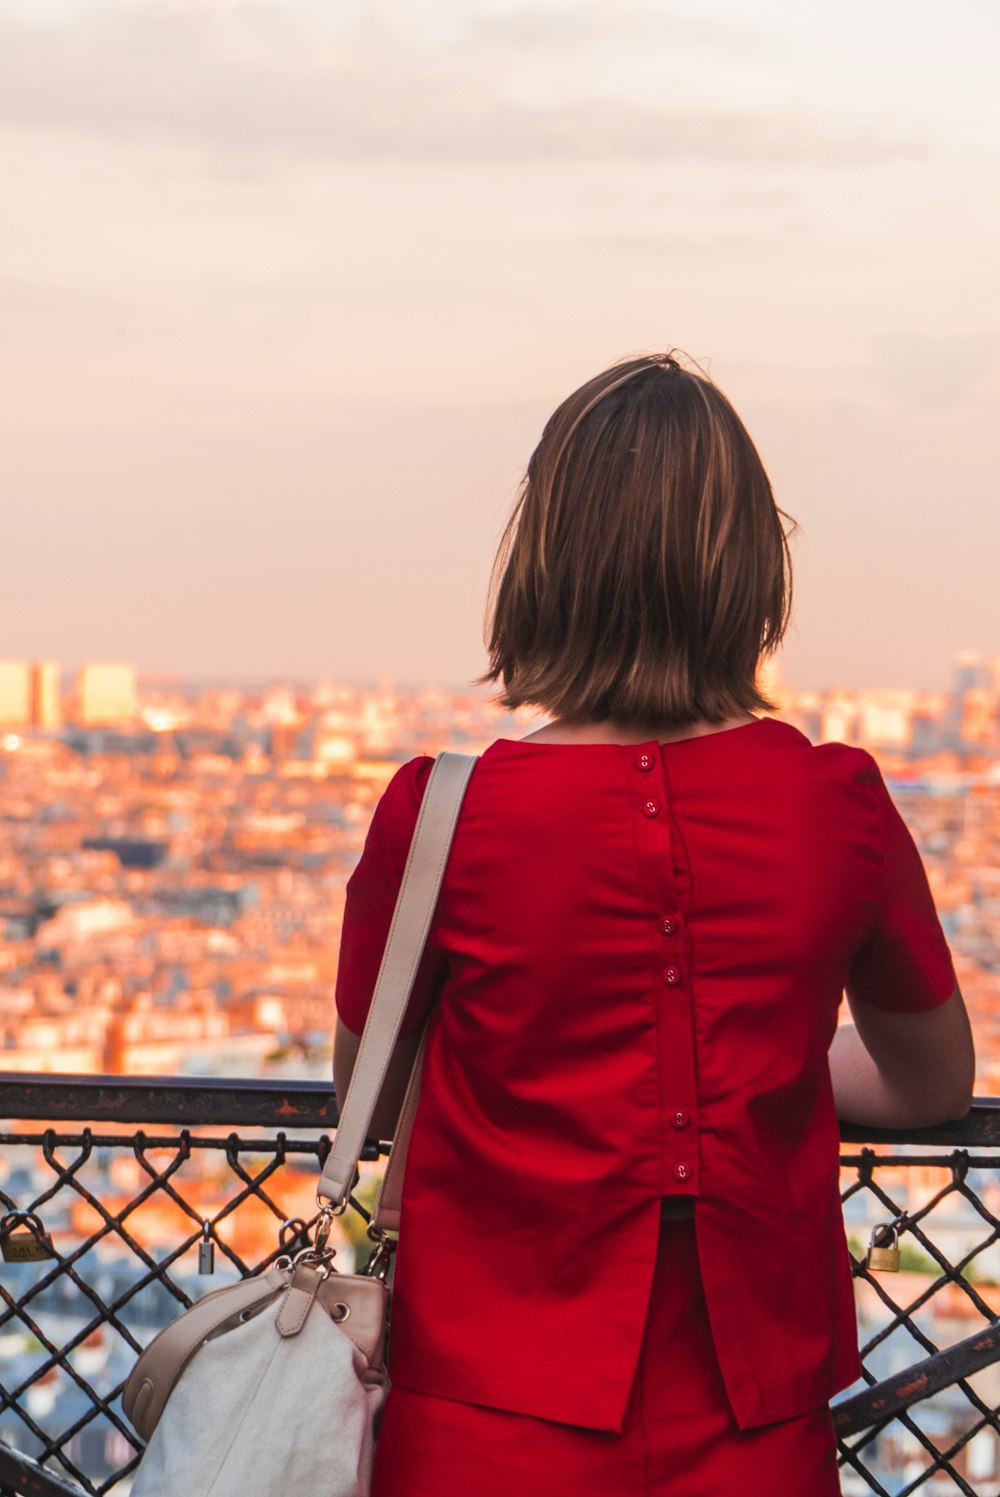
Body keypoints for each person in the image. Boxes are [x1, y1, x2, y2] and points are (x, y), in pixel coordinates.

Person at [333, 352, 975, 1496]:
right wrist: (752, 1059)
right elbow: (926, 1086)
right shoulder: (837, 807)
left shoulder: (441, 813)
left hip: (481, 1420)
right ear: (750, 571)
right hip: (752, 1427)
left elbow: (368, 1099)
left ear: (542, 562)